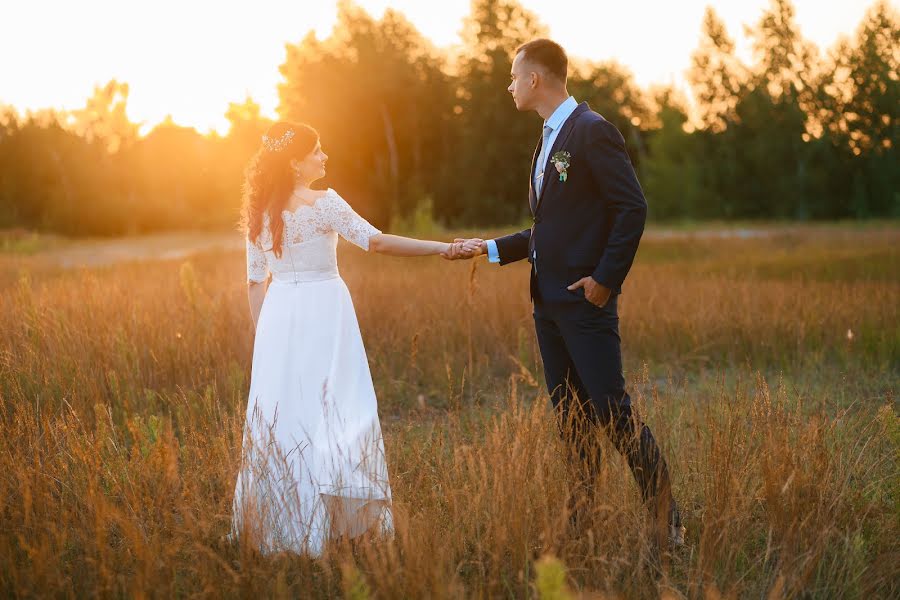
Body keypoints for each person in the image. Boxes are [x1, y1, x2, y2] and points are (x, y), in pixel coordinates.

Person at [449, 39, 685, 548]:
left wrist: (605, 279)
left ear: (535, 79)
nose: (509, 86)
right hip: (546, 304)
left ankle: (669, 523)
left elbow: (632, 208)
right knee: (572, 420)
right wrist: (487, 248)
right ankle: (583, 523)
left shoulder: (593, 131)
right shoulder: (546, 137)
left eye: (514, 77)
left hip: (584, 302)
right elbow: (550, 228)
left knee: (613, 414)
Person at [229, 121, 461, 557]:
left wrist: (265, 341)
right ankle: (338, 520)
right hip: (324, 312)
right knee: (340, 407)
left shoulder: (259, 211)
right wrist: (440, 248)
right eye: (317, 151)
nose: (324, 157)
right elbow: (376, 242)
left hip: (279, 317)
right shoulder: (324, 203)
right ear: (296, 163)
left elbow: (254, 281)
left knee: (286, 417)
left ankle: (284, 523)